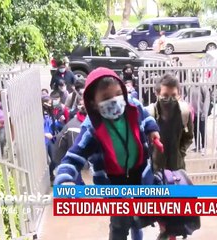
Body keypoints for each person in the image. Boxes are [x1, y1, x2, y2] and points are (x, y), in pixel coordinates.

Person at [54, 67, 161, 240]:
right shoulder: (91, 129)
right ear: (93, 103)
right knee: (119, 223)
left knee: (139, 217)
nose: (115, 101)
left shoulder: (133, 105)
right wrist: (65, 179)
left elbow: (146, 117)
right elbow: (73, 157)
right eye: (106, 98)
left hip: (138, 172)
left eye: (118, 94)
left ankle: (137, 234)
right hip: (113, 181)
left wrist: (152, 130)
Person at [145, 74, 194, 240]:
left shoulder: (184, 112)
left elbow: (188, 137)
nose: (170, 100)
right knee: (159, 205)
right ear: (157, 94)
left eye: (174, 96)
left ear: (179, 94)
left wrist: (181, 152)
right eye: (165, 96)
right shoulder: (149, 113)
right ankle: (165, 230)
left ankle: (171, 233)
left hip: (177, 168)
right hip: (156, 169)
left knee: (177, 204)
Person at [189, 72, 210, 155]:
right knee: (195, 130)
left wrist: (204, 112)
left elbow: (207, 100)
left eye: (196, 75)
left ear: (199, 76)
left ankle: (204, 147)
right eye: (193, 75)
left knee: (202, 130)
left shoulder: (203, 87)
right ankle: (197, 146)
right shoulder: (190, 87)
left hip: (201, 114)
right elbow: (188, 99)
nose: (195, 77)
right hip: (194, 114)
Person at [42, 95, 58, 182]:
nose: (48, 105)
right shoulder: (38, 114)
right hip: (43, 140)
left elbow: (52, 125)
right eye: (47, 103)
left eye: (50, 103)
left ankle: (50, 173)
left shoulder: (49, 113)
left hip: (51, 139)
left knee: (55, 159)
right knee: (44, 162)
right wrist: (44, 134)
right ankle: (49, 177)